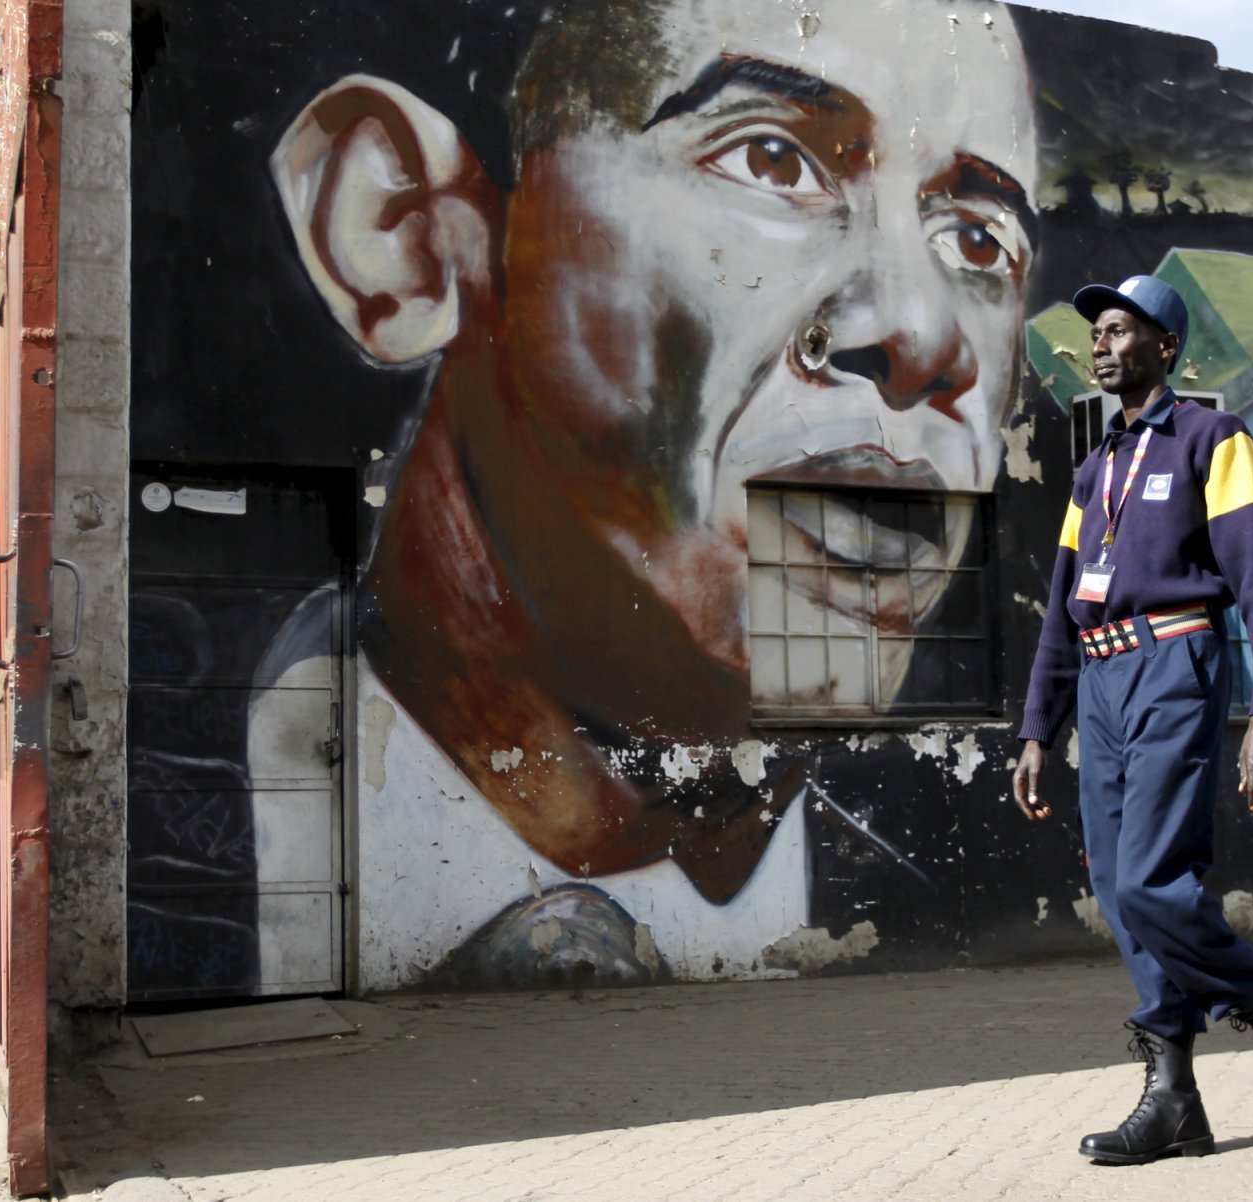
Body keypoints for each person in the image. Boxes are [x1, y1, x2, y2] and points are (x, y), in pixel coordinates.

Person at [267, 0, 1041, 982]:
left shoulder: (934, 910)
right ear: (406, 237)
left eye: (977, 241)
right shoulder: (192, 859)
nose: (925, 338)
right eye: (771, 160)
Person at [1011, 275, 1253, 1163]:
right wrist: (1040, 731)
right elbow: (1059, 613)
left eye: (1120, 330)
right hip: (1103, 678)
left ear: (1166, 346)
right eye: (1098, 334)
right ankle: (1174, 1101)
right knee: (1123, 891)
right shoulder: (1094, 469)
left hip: (1178, 662)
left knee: (1157, 880)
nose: (1102, 345)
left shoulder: (1212, 438)